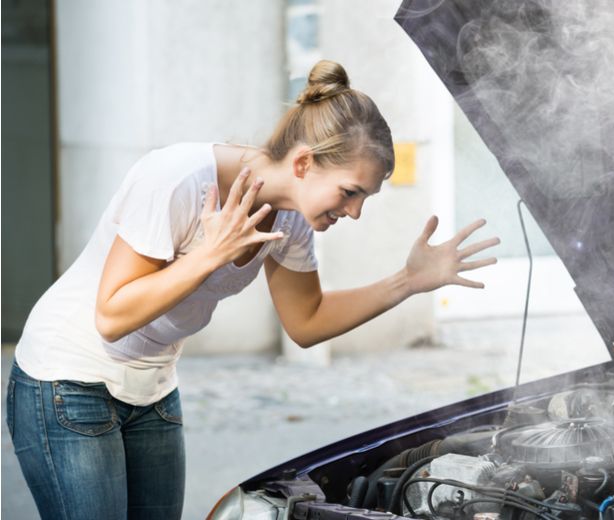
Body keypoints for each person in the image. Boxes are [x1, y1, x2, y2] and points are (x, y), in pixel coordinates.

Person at [5, 60, 499, 520]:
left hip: (151, 387)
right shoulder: (178, 180)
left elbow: (307, 322)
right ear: (304, 163)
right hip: (66, 381)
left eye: (364, 198)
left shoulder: (294, 220)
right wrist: (209, 254)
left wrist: (408, 281)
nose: (354, 212)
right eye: (350, 192)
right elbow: (111, 315)